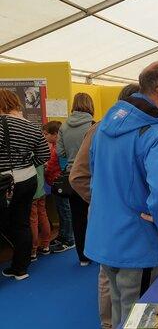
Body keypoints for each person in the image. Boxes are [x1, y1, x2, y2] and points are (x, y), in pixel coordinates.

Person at [85, 61, 158, 328]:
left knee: (120, 310)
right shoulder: (156, 134)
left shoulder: (104, 126)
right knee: (140, 317)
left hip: (105, 236)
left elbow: (95, 177)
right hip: (137, 242)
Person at [69, 83, 139, 329]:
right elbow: (78, 176)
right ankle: (109, 323)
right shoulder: (100, 130)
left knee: (119, 276)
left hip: (122, 217)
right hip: (110, 217)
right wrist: (105, 200)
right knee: (108, 275)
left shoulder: (132, 130)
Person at [0, 89, 50, 280]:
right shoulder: (31, 126)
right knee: (22, 223)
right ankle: (21, 268)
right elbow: (44, 154)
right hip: (28, 179)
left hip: (4, 183)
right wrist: (28, 164)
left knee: (9, 223)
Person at [57, 92, 95, 262]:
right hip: (92, 176)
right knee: (95, 215)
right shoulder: (94, 126)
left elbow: (60, 152)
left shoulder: (63, 126)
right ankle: (96, 251)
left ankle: (83, 257)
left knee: (77, 218)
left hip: (72, 176)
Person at [42, 120, 74, 252]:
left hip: (61, 185)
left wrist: (46, 167)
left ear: (55, 134)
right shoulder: (54, 147)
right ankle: (62, 235)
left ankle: (69, 239)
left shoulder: (59, 149)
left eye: (45, 134)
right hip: (54, 184)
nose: (44, 137)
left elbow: (59, 166)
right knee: (61, 211)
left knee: (65, 211)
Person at [29, 165, 51, 261]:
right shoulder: (39, 153)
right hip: (42, 191)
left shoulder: (26, 155)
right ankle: (46, 246)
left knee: (33, 221)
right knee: (43, 216)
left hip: (31, 193)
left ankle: (33, 251)